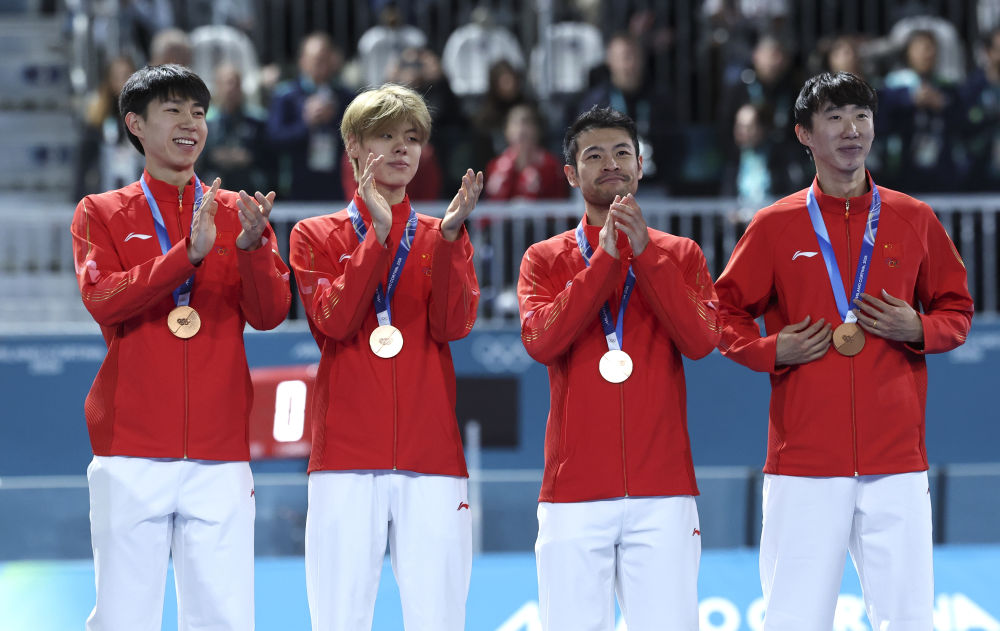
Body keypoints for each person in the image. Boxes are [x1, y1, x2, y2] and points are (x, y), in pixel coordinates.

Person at [713, 72, 973, 631]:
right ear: (804, 134)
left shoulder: (913, 218)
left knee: (909, 621)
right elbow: (721, 312)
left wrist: (920, 328)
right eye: (834, 117)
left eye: (861, 116)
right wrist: (769, 349)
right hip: (804, 463)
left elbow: (957, 309)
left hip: (896, 461)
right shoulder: (775, 225)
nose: (851, 129)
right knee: (794, 621)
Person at [69, 63, 291, 630]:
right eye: (172, 110)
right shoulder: (100, 212)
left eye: (198, 112)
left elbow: (269, 315)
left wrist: (252, 249)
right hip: (130, 449)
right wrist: (185, 256)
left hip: (220, 450)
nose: (191, 123)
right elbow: (103, 299)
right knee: (123, 618)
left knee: (224, 618)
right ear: (135, 124)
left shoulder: (238, 212)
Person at [516, 105, 721, 631]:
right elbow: (541, 341)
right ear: (570, 174)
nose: (611, 163)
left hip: (663, 492)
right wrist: (604, 262)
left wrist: (647, 255)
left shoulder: (681, 253)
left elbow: (701, 340)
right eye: (594, 155)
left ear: (640, 164)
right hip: (573, 493)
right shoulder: (544, 258)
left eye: (622, 152)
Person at [288, 83, 483, 631]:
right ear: (353, 145)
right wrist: (375, 237)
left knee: (440, 621)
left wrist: (450, 242)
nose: (402, 148)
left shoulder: (442, 234)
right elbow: (334, 321)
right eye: (386, 135)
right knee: (339, 621)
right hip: (344, 459)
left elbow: (453, 326)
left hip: (432, 459)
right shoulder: (314, 235)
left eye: (412, 138)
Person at [267, 32, 353, 201]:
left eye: (324, 59)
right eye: (315, 59)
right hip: (296, 188)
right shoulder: (286, 96)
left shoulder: (345, 97)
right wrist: (307, 124)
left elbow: (356, 140)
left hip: (335, 188)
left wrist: (334, 121)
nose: (320, 65)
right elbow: (273, 139)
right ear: (302, 61)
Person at [200, 62, 271, 194]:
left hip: (248, 183)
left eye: (235, 83)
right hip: (216, 181)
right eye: (227, 83)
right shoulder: (205, 122)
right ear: (217, 87)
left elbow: (268, 155)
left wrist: (249, 156)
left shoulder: (257, 122)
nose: (231, 88)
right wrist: (214, 156)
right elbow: (199, 158)